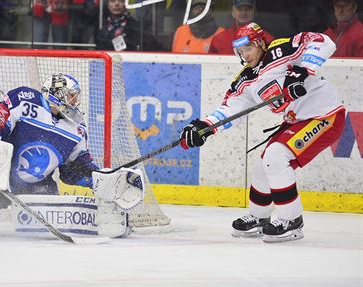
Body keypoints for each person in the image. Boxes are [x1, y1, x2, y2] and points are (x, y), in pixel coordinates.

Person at [180, 22, 345, 243]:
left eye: (248, 48)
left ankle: (292, 220)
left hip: (325, 114)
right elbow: (231, 109)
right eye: (240, 51)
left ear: (259, 43)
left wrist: (302, 71)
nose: (244, 55)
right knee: (262, 166)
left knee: (275, 157)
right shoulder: (245, 79)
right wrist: (205, 127)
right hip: (296, 121)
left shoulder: (280, 51)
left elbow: (323, 41)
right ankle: (259, 217)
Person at [0, 73, 144, 237]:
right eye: (71, 96)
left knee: (46, 234)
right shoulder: (25, 99)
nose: (75, 102)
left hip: (37, 187)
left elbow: (72, 169)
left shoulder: (77, 128)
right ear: (57, 94)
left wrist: (98, 177)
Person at [209, 0, 274, 55]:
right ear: (233, 12)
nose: (244, 13)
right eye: (239, 9)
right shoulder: (219, 39)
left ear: (254, 12)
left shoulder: (266, 38)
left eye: (248, 9)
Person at [95, 0, 162, 51]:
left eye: (121, 1)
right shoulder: (102, 30)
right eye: (112, 1)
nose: (117, 4)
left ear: (126, 4)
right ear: (108, 5)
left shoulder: (137, 27)